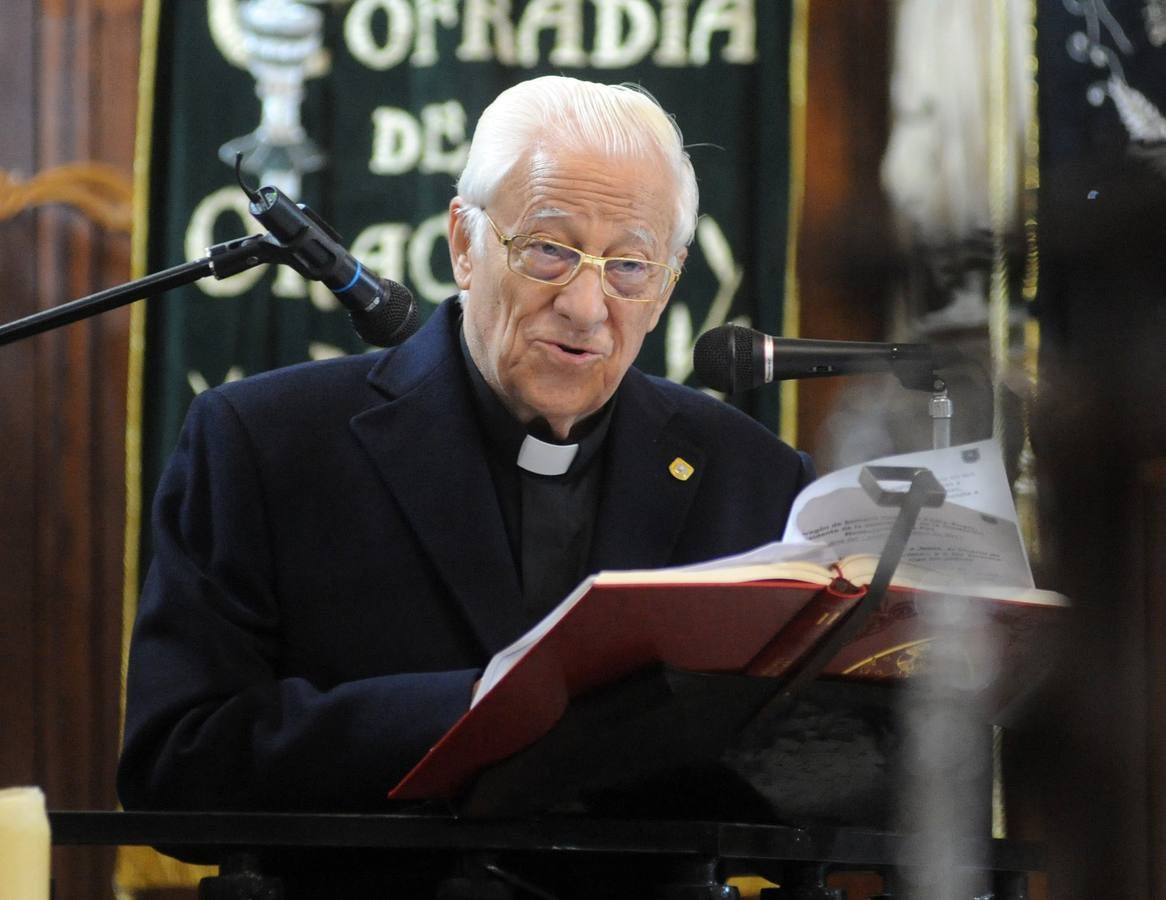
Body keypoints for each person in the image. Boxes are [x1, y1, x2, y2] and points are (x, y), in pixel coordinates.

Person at [118, 74, 812, 871]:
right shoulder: (266, 442)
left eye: (628, 265)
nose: (587, 307)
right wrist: (478, 710)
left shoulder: (752, 476)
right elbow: (177, 768)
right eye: (550, 250)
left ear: (669, 284)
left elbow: (793, 799)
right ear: (463, 243)